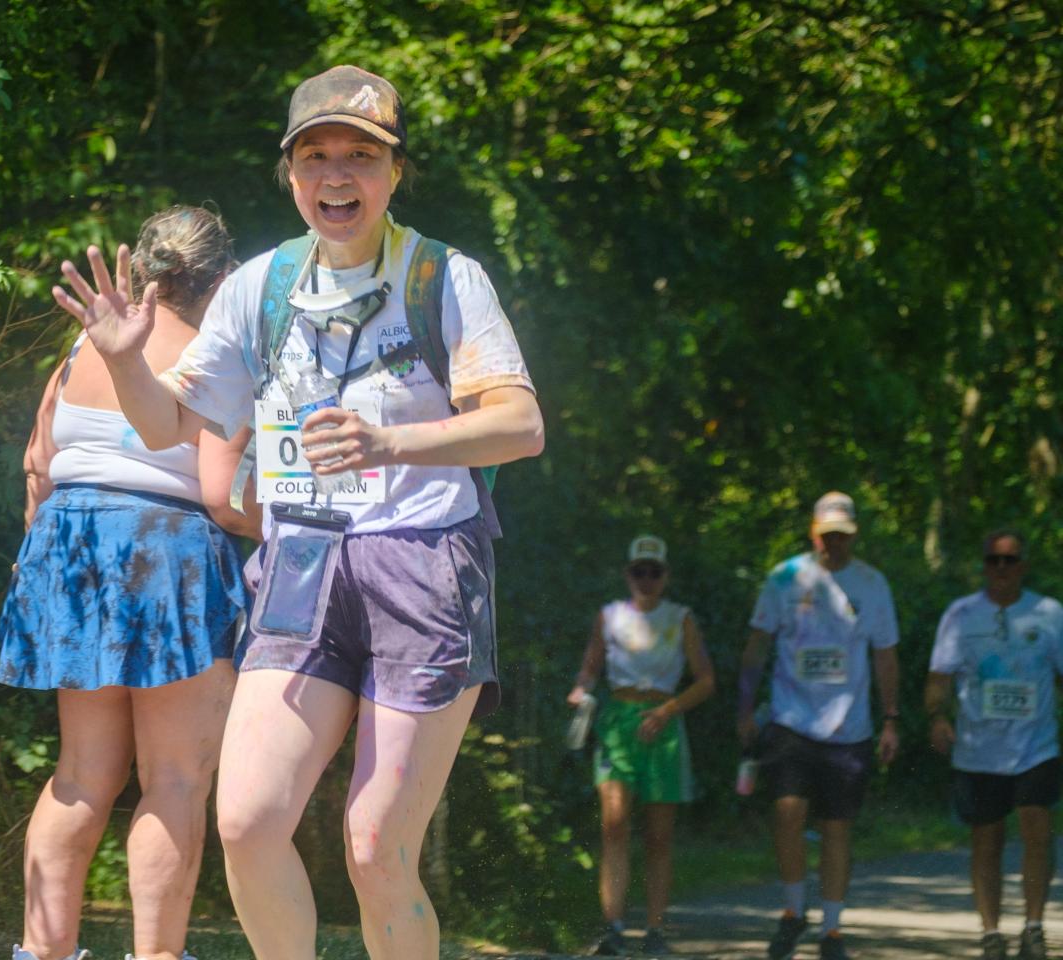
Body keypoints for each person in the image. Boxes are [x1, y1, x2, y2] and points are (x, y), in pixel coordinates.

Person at [50, 65, 543, 960]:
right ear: (291, 174)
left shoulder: (443, 277)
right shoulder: (257, 288)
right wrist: (127, 361)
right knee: (243, 820)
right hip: (299, 568)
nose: (337, 175)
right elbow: (169, 424)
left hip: (424, 566)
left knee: (375, 849)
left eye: (361, 155)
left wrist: (389, 443)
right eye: (315, 156)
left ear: (396, 173)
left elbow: (520, 425)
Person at [0, 205, 259, 960]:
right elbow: (222, 499)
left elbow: (37, 465)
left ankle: (40, 954)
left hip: (70, 546)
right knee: (174, 779)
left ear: (143, 272)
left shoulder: (85, 346)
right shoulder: (222, 356)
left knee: (80, 775)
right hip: (168, 551)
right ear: (224, 276)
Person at [736, 491, 901, 960]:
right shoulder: (785, 578)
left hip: (850, 728)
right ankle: (793, 911)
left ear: (854, 536)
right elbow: (756, 647)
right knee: (787, 812)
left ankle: (832, 930)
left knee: (837, 828)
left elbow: (886, 656)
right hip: (790, 720)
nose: (835, 544)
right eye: (827, 535)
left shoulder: (872, 584)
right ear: (814, 532)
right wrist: (745, 709)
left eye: (843, 536)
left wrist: (891, 719)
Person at [567, 535, 715, 957]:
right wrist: (580, 691)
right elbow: (589, 669)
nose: (646, 579)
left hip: (663, 723)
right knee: (613, 826)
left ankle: (654, 930)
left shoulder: (680, 618)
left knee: (658, 835)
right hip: (618, 722)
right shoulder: (609, 616)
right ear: (628, 574)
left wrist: (667, 711)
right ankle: (613, 928)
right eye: (639, 571)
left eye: (654, 571)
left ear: (665, 575)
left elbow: (706, 680)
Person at [925, 530, 1063, 960]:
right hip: (978, 748)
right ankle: (990, 932)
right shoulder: (961, 614)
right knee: (987, 839)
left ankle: (1034, 927)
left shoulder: (1050, 613)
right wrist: (937, 716)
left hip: (1035, 745)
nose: (1001, 569)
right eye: (993, 561)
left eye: (1009, 560)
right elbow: (939, 678)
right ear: (984, 565)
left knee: (1037, 830)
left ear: (1022, 565)